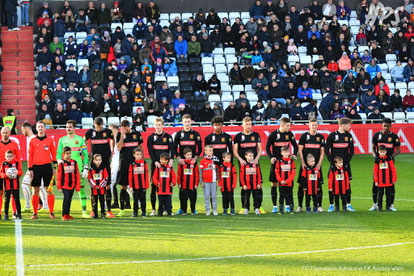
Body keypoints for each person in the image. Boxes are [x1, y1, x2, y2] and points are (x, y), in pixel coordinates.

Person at [57, 120, 89, 218]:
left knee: (81, 190)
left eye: (70, 127)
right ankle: (66, 213)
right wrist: (59, 161)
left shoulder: (80, 140)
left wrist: (86, 166)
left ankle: (84, 211)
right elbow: (58, 153)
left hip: (78, 168)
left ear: (74, 128)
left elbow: (85, 154)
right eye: (67, 127)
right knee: (67, 193)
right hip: (66, 170)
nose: (68, 128)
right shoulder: (62, 140)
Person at [84, 117, 115, 217]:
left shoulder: (108, 132)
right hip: (94, 162)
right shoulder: (90, 132)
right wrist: (86, 152)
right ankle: (93, 210)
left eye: (100, 126)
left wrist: (112, 149)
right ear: (94, 125)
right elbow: (84, 140)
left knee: (107, 185)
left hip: (105, 161)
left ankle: (108, 210)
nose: (98, 129)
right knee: (94, 186)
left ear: (103, 124)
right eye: (97, 127)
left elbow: (112, 139)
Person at [265, 117, 298, 213]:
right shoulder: (273, 135)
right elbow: (267, 147)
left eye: (290, 125)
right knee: (274, 184)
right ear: (282, 125)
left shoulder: (290, 134)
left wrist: (294, 154)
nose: (289, 127)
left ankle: (287, 205)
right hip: (276, 164)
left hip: (287, 164)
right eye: (288, 126)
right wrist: (271, 157)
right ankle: (275, 206)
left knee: (287, 185)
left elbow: (295, 145)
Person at [233, 117, 263, 215]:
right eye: (246, 124)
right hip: (243, 166)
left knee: (258, 186)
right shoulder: (238, 136)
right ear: (243, 125)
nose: (248, 126)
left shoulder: (256, 135)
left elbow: (260, 149)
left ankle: (259, 207)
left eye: (250, 124)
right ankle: (244, 207)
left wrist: (256, 159)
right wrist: (241, 160)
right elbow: (234, 151)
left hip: (255, 165)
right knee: (244, 187)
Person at [370, 118, 400, 211]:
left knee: (390, 185)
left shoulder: (394, 136)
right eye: (384, 126)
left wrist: (391, 156)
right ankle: (375, 204)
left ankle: (391, 205)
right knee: (376, 183)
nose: (386, 128)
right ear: (381, 125)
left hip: (389, 163)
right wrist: (376, 156)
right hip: (379, 163)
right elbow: (373, 148)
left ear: (390, 126)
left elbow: (398, 149)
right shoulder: (376, 135)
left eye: (388, 126)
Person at [325, 118, 355, 212]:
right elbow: (327, 150)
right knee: (332, 184)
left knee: (347, 183)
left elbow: (352, 150)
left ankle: (348, 204)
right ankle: (331, 205)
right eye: (348, 125)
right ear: (342, 125)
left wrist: (346, 163)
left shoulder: (349, 136)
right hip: (334, 165)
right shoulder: (332, 135)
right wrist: (332, 163)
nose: (349, 127)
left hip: (345, 165)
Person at [147, 117, 174, 216]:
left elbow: (172, 149)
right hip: (155, 165)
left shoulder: (168, 137)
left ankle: (165, 209)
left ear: (163, 125)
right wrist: (155, 162)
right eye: (156, 125)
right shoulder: (151, 137)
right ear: (154, 126)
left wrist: (171, 160)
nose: (158, 127)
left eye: (159, 125)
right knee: (153, 186)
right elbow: (150, 151)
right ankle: (154, 209)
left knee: (166, 185)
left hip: (166, 166)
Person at [115, 120, 143, 216]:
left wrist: (141, 159)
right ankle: (122, 209)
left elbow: (140, 146)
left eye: (126, 126)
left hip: (135, 165)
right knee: (123, 187)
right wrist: (122, 136)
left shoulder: (136, 134)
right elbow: (118, 148)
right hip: (124, 164)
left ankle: (137, 208)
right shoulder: (119, 135)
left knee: (136, 186)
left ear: (129, 126)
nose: (124, 128)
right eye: (122, 126)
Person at [297, 119, 325, 213]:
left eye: (315, 125)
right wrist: (303, 163)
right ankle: (300, 206)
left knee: (318, 185)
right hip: (305, 166)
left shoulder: (320, 137)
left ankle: (319, 206)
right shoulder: (304, 136)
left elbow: (322, 152)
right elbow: (300, 151)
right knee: (301, 185)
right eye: (312, 125)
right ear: (309, 125)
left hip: (316, 166)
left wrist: (319, 164)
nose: (314, 127)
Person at [0, 127, 21, 219]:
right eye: (3, 133)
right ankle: (0, 213)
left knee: (13, 193)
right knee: (1, 193)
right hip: (1, 172)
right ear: (1, 133)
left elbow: (18, 158)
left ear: (9, 133)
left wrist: (18, 171)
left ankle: (14, 212)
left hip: (12, 172)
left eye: (6, 132)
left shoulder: (14, 144)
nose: (5, 134)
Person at [57, 146, 81, 220]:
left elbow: (77, 174)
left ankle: (67, 214)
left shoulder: (74, 162)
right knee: (66, 199)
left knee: (70, 199)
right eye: (67, 153)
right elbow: (59, 176)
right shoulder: (61, 164)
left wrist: (78, 186)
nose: (69, 155)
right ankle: (64, 215)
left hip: (72, 185)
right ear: (63, 154)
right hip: (64, 185)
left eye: (70, 153)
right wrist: (59, 187)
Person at [373, 145, 397, 212]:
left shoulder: (389, 159)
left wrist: (394, 179)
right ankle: (379, 206)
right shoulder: (377, 160)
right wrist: (376, 180)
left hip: (388, 181)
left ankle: (388, 207)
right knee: (380, 195)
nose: (382, 153)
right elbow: (375, 171)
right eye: (381, 152)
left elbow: (393, 169)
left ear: (386, 152)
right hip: (380, 182)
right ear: (378, 152)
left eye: (384, 151)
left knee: (388, 195)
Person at [1, 150, 23, 220]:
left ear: (13, 156)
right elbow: (1, 174)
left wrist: (17, 172)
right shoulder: (3, 164)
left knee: (17, 200)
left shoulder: (16, 163)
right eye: (7, 156)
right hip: (7, 186)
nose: (9, 158)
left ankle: (19, 214)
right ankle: (6, 215)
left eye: (10, 156)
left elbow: (21, 172)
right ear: (5, 157)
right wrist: (6, 175)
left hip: (15, 185)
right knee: (7, 200)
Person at [240, 150, 263, 215]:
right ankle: (246, 209)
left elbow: (258, 174)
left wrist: (259, 183)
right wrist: (243, 184)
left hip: (255, 184)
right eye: (250, 156)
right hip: (247, 185)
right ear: (246, 156)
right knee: (247, 197)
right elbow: (241, 176)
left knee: (255, 197)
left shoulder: (256, 164)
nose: (251, 157)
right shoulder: (244, 165)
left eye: (252, 156)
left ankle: (256, 209)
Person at [177, 148, 199, 216]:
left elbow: (197, 174)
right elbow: (179, 174)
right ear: (184, 155)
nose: (189, 156)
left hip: (192, 185)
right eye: (188, 155)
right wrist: (179, 183)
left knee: (193, 199)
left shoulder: (194, 163)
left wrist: (196, 184)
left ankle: (193, 210)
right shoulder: (181, 164)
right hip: (184, 185)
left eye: (190, 154)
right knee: (183, 199)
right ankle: (184, 211)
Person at [128, 148, 149, 217]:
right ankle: (135, 212)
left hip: (143, 185)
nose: (139, 156)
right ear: (134, 155)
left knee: (143, 199)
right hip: (135, 186)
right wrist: (130, 186)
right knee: (135, 200)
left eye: (140, 154)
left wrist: (147, 185)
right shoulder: (132, 164)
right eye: (137, 154)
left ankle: (143, 212)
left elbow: (146, 174)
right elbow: (130, 176)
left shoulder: (144, 163)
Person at [275, 146, 296, 215]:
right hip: (281, 183)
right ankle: (281, 209)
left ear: (289, 153)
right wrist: (280, 180)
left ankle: (291, 209)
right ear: (281, 153)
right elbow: (277, 172)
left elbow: (293, 172)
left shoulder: (291, 161)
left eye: (287, 152)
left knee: (290, 195)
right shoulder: (279, 161)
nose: (286, 153)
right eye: (284, 152)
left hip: (289, 183)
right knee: (281, 196)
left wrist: (287, 181)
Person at [88, 154, 109, 219]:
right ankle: (95, 214)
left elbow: (106, 178)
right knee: (94, 202)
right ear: (93, 161)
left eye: (100, 160)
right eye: (97, 160)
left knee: (102, 201)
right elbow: (90, 179)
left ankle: (103, 213)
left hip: (102, 189)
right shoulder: (91, 170)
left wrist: (100, 186)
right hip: (94, 189)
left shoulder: (104, 169)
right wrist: (94, 186)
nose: (98, 161)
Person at [199, 145, 218, 216]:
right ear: (205, 152)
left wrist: (217, 180)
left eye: (212, 150)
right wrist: (201, 182)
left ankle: (215, 210)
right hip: (206, 182)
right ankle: (207, 210)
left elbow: (217, 171)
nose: (211, 152)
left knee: (214, 196)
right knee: (206, 196)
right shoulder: (202, 161)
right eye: (210, 150)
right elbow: (200, 172)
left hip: (213, 181)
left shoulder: (215, 160)